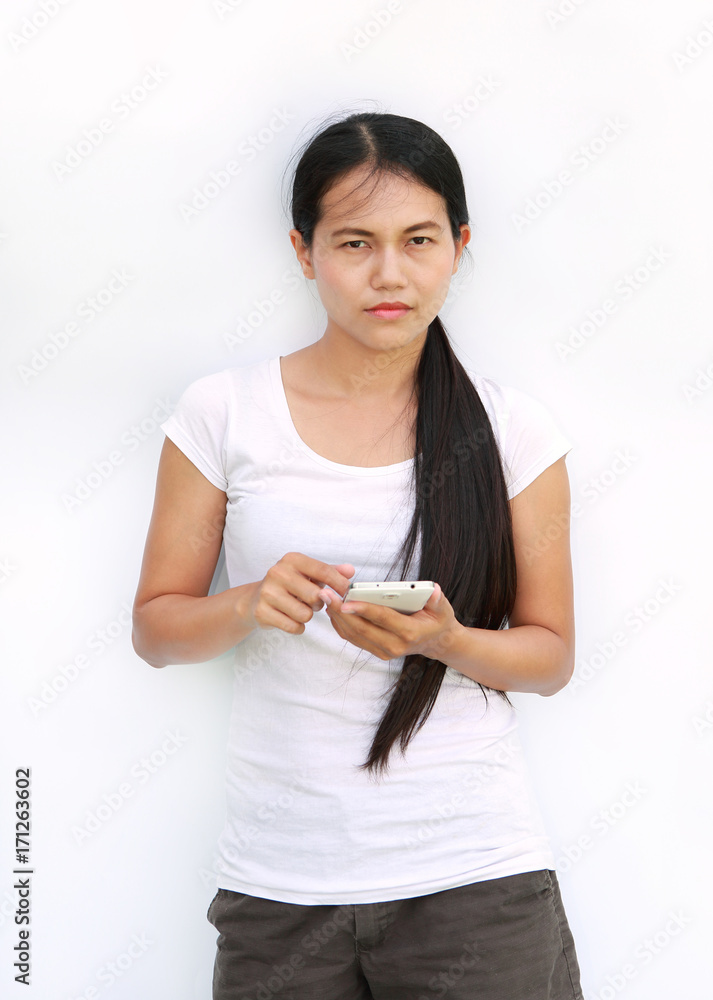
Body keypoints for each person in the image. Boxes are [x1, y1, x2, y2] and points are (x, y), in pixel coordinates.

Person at [132, 110, 584, 1000]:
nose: (389, 273)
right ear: (303, 252)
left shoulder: (513, 430)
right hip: (279, 890)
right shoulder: (221, 414)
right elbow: (156, 630)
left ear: (458, 246)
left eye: (418, 240)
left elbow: (550, 657)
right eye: (353, 242)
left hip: (475, 883)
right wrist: (247, 601)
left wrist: (443, 640)